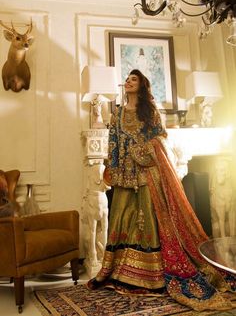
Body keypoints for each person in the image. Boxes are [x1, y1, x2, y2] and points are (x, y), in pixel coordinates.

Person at [87, 69, 235, 311]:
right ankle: (120, 272)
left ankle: (149, 276)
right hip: (125, 175)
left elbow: (162, 138)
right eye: (127, 79)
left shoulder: (150, 112)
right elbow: (112, 144)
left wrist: (145, 148)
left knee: (146, 219)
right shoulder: (116, 114)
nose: (128, 82)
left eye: (133, 79)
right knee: (122, 218)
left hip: (147, 174)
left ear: (142, 85)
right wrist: (111, 168)